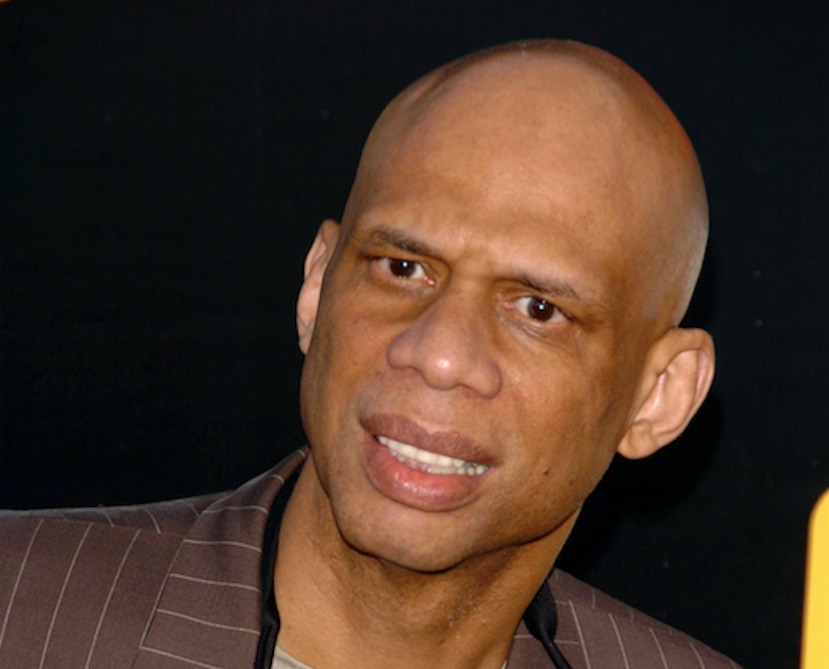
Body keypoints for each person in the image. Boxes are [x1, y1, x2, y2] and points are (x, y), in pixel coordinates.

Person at [0, 40, 741, 669]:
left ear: (658, 396)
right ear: (316, 287)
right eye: (402, 267)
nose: (439, 355)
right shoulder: (21, 611)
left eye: (538, 310)